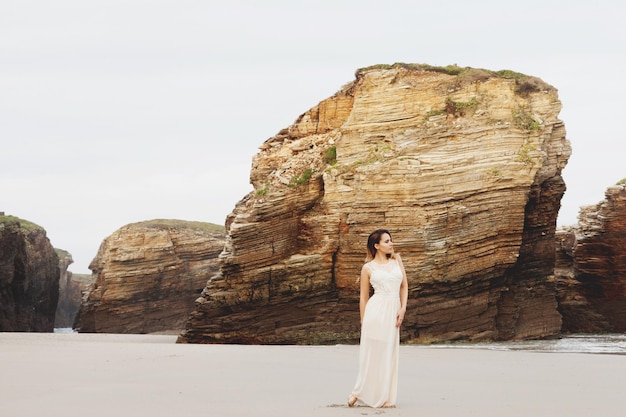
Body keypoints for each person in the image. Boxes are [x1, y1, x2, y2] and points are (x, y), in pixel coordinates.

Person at [348, 229, 408, 408]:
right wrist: (363, 321)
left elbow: (404, 286)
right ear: (377, 246)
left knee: (388, 353)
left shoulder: (397, 260)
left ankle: (384, 396)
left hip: (393, 310)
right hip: (375, 312)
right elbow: (364, 297)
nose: (391, 243)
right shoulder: (368, 268)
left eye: (391, 240)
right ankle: (357, 392)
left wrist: (403, 308)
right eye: (387, 241)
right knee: (372, 355)